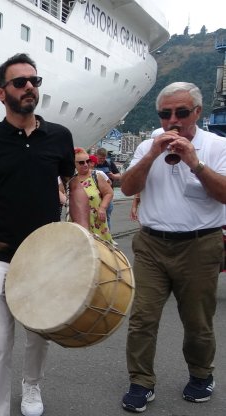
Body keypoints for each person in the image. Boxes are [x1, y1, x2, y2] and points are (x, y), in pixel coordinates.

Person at [0, 53, 88, 416]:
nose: (30, 86)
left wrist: (82, 231)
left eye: (34, 81)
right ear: (1, 93)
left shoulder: (60, 136)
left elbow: (74, 184)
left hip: (47, 255)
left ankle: (31, 386)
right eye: (20, 82)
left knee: (39, 334)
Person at [119, 82, 226, 412]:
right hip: (152, 244)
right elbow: (127, 186)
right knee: (142, 319)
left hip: (200, 244)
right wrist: (152, 153)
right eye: (165, 114)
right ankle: (141, 382)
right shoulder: (150, 145)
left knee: (197, 321)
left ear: (197, 112)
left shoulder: (217, 146)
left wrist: (195, 162)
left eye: (181, 112)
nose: (173, 121)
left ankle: (200, 374)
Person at [73, 148, 114, 242]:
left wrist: (103, 208)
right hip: (77, 222)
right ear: (74, 164)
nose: (86, 164)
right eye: (81, 163)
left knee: (100, 251)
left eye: (87, 161)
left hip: (96, 221)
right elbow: (60, 192)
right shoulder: (71, 179)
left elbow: (109, 192)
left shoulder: (96, 175)